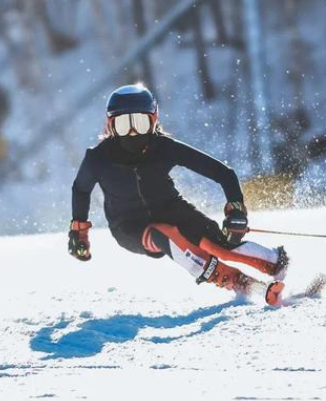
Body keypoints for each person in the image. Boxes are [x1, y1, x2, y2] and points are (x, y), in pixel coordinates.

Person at [68, 84, 289, 306]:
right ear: (110, 125)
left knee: (220, 244)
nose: (134, 132)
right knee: (162, 234)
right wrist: (79, 232)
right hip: (128, 227)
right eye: (124, 125)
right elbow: (80, 189)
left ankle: (276, 262)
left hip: (172, 210)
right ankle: (236, 281)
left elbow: (224, 173)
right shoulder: (99, 159)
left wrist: (236, 210)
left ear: (154, 119)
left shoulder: (163, 147)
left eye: (141, 123)